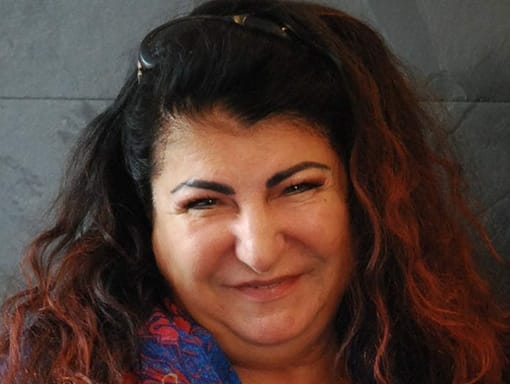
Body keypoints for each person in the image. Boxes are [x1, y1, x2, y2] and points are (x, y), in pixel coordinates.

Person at [1, 0, 509, 383]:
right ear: (145, 218)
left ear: (366, 196)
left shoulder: (471, 361)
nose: (260, 251)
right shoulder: (45, 372)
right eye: (203, 202)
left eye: (298, 187)